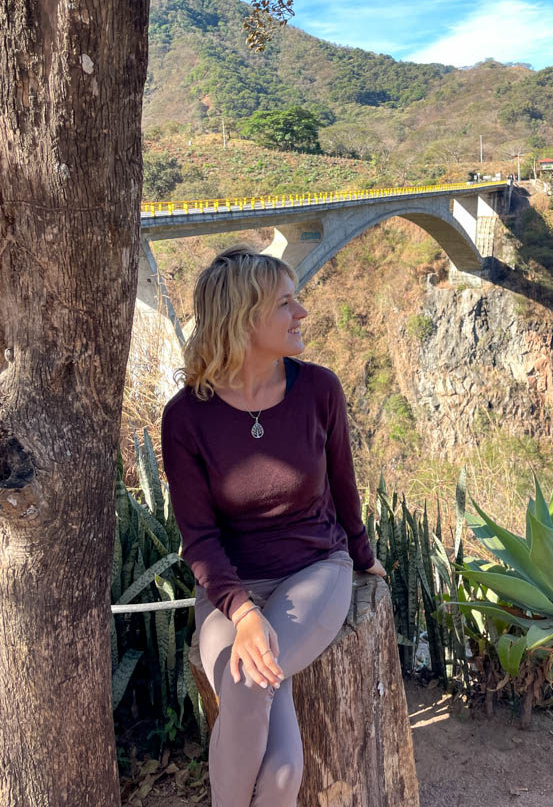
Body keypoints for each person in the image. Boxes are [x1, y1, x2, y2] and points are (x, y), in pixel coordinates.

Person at [161, 244, 385, 807]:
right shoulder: (186, 416)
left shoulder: (318, 390)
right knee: (281, 772)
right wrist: (243, 612)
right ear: (244, 319)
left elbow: (343, 489)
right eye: (287, 304)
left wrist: (362, 556)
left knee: (247, 684)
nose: (302, 314)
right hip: (230, 591)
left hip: (315, 570)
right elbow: (199, 537)